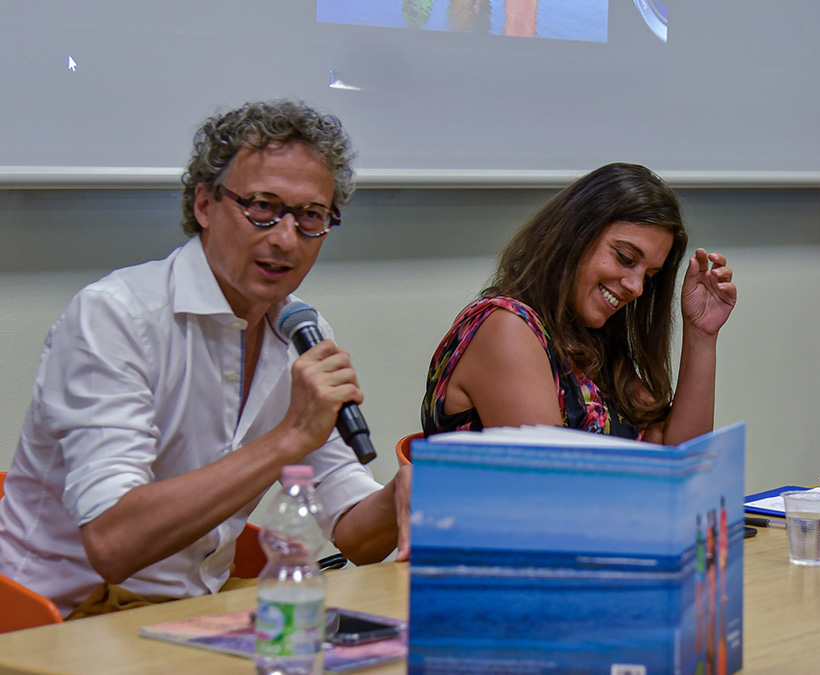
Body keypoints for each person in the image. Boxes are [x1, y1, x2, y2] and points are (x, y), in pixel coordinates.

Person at [0, 100, 410, 618]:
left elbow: (356, 536)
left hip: (190, 608)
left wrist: (404, 494)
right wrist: (289, 437)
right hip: (59, 615)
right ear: (204, 205)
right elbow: (112, 542)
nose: (285, 239)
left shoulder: (300, 330)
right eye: (261, 206)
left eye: (311, 216)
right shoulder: (114, 316)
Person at [421, 162, 736, 445]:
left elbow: (681, 461)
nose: (637, 287)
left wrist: (701, 334)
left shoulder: (594, 341)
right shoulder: (507, 327)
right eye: (625, 258)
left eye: (649, 276)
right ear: (576, 234)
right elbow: (555, 483)